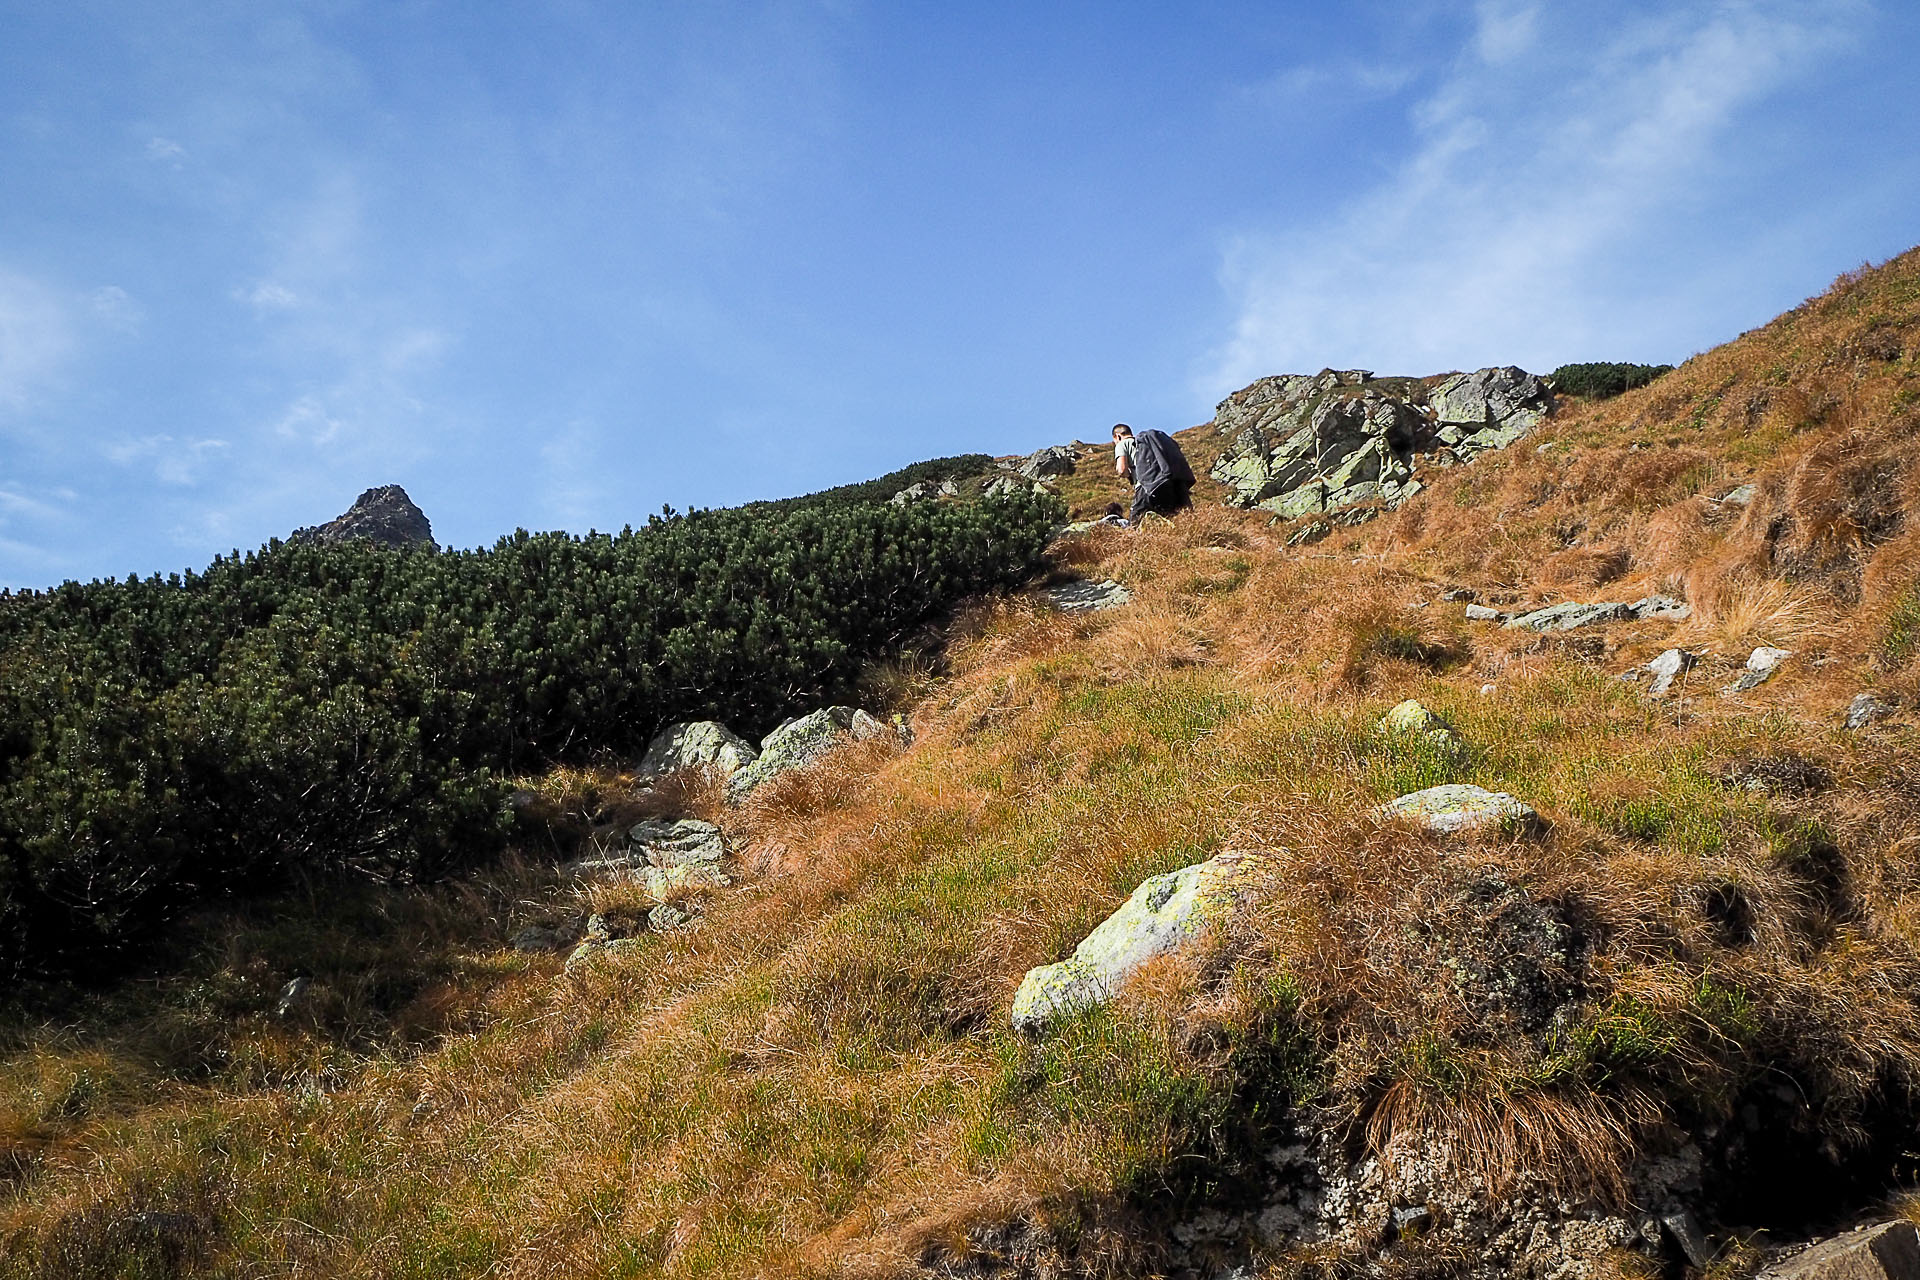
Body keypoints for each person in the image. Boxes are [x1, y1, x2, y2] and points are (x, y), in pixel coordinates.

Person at [1112, 423, 1194, 521]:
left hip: (1146, 486)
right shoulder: (1145, 442)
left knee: (1135, 521)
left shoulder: (1122, 444)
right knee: (1169, 517)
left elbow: (1122, 469)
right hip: (1167, 482)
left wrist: (1127, 475)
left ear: (1118, 436)